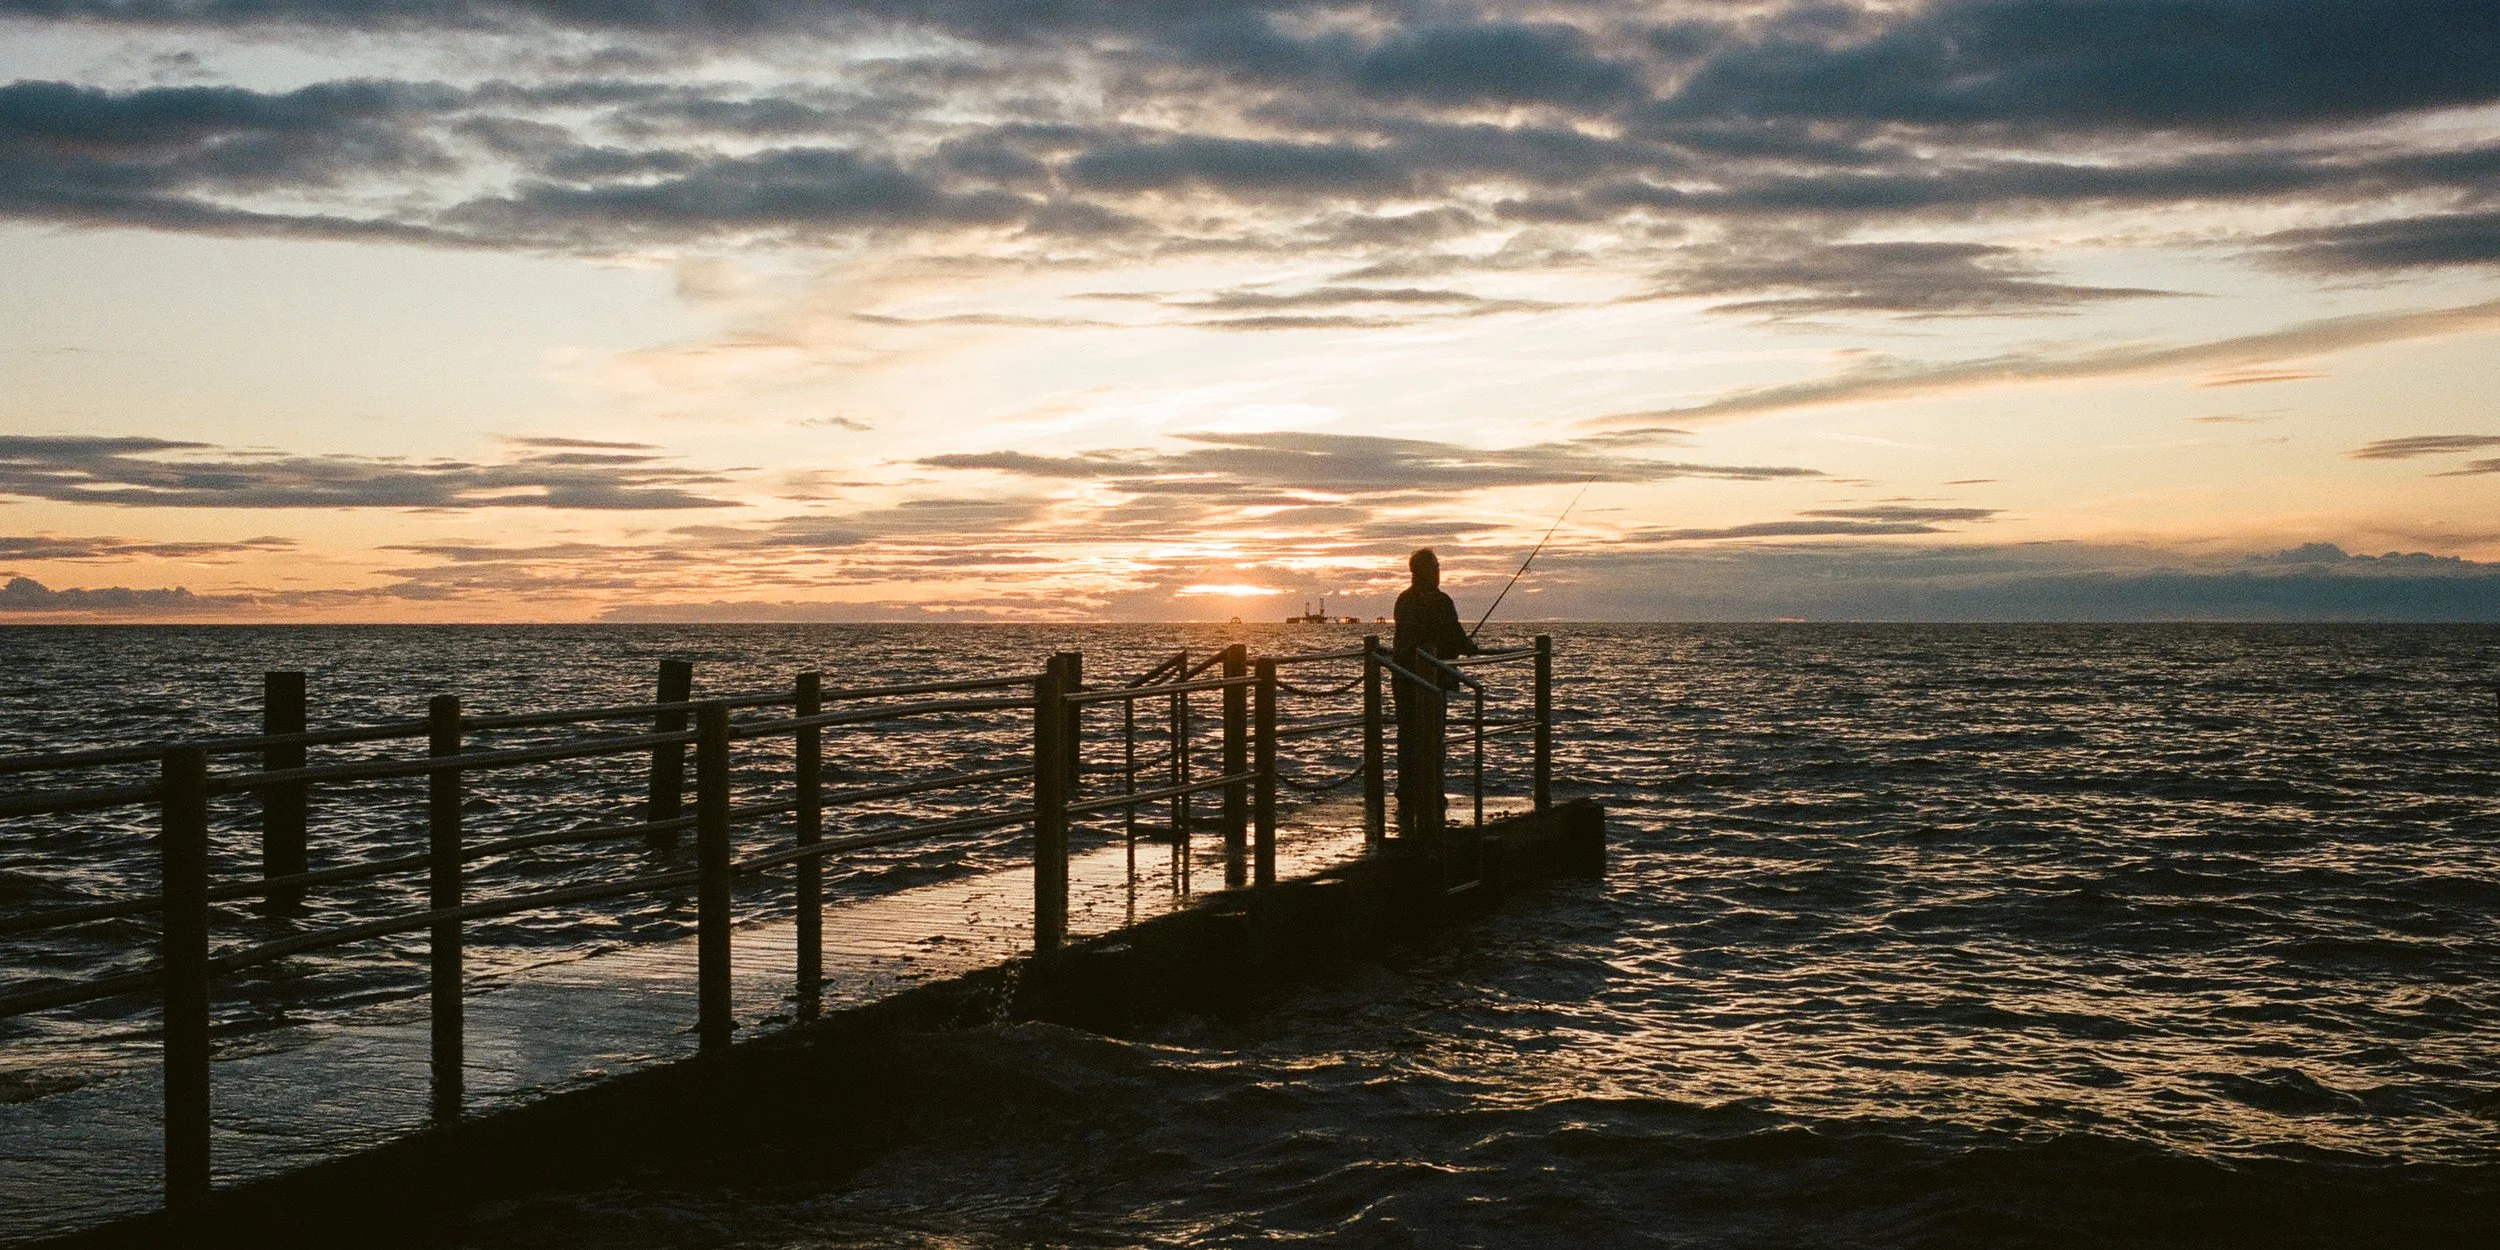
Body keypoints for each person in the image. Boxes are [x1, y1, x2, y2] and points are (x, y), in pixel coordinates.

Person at [1391, 548, 1479, 836]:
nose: (1439, 570)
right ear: (1426, 570)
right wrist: (1468, 648)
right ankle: (1432, 791)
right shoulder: (1441, 601)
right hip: (1429, 680)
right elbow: (1454, 635)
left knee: (1407, 734)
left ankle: (1407, 791)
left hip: (1403, 677)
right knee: (1433, 735)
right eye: (1436, 565)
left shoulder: (1403, 600)